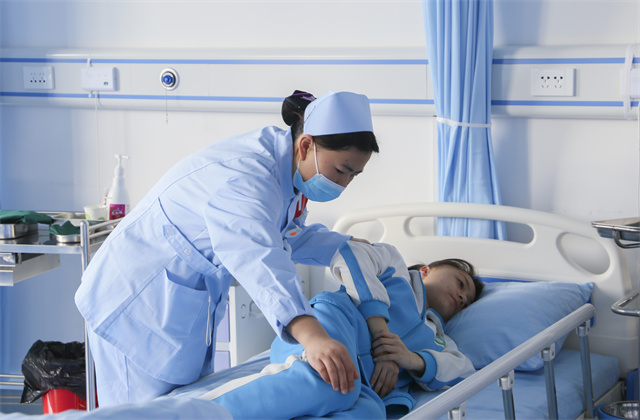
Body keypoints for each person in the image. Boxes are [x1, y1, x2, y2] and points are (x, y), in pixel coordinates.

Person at [74, 90, 379, 406]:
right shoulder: (247, 176)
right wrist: (313, 337)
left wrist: (344, 246)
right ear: (306, 146)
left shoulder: (289, 173)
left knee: (179, 409)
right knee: (142, 414)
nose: (344, 184)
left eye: (354, 175)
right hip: (135, 305)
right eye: (341, 170)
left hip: (177, 309)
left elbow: (283, 236)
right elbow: (260, 258)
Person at [198, 240, 483, 419]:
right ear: (426, 270)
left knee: (369, 412)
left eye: (466, 301)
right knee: (331, 383)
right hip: (330, 327)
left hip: (364, 387)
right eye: (461, 283)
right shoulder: (394, 268)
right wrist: (382, 333)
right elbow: (351, 252)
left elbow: (465, 372)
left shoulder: (439, 340)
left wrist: (410, 359)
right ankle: (192, 413)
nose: (461, 297)